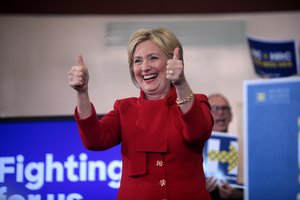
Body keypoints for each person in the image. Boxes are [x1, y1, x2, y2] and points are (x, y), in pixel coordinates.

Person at [68, 28, 214, 200]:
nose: (144, 67)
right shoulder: (124, 109)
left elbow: (198, 132)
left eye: (153, 58)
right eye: (137, 61)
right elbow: (94, 140)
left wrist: (181, 84)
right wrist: (82, 93)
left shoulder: (196, 102)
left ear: (174, 62)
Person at [206, 93, 243, 200]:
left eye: (225, 108)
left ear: (231, 116)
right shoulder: (194, 150)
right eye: (214, 108)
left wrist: (239, 196)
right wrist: (200, 191)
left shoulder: (244, 150)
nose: (221, 112)